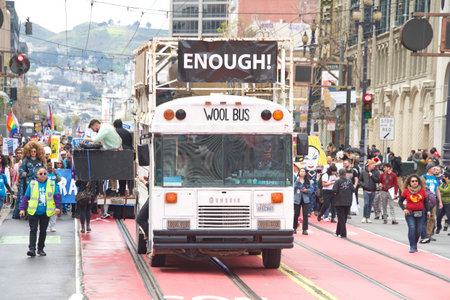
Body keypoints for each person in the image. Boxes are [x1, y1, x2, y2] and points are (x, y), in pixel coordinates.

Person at [20, 167, 61, 256]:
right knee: (33, 230)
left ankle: (40, 249)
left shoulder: (52, 184)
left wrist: (57, 207)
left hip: (45, 212)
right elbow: (26, 197)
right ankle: (32, 249)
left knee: (43, 231)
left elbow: (57, 196)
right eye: (41, 174)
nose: (43, 175)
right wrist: (22, 208)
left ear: (47, 174)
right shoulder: (32, 184)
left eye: (45, 173)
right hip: (33, 211)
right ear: (37, 175)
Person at [13, 142, 46, 219]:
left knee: (37, 197)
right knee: (27, 197)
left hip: (38, 182)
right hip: (28, 182)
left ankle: (36, 212)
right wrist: (23, 173)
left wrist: (42, 176)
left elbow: (44, 170)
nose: (33, 153)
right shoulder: (26, 160)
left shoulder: (40, 160)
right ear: (29, 152)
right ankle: (27, 212)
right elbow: (21, 169)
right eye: (32, 151)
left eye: (34, 151)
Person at [398, 174, 430, 253]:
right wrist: (404, 209)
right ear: (409, 183)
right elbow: (400, 201)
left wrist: (428, 211)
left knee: (418, 230)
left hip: (420, 213)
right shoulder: (406, 191)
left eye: (416, 181)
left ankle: (415, 244)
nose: (415, 182)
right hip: (410, 213)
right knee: (412, 228)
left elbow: (426, 202)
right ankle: (412, 246)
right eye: (413, 181)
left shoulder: (422, 190)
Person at [419, 164, 443, 243]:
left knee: (432, 217)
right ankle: (423, 234)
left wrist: (440, 201)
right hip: (425, 200)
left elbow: (437, 189)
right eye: (434, 168)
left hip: (433, 200)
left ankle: (429, 234)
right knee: (424, 217)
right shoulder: (423, 177)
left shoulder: (435, 178)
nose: (435, 170)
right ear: (429, 169)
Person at [113, 119, 134, 196]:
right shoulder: (127, 132)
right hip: (129, 154)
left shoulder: (114, 132)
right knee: (128, 173)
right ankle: (130, 190)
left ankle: (121, 190)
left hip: (120, 154)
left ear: (114, 125)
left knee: (120, 173)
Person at [333, 168, 354, 238]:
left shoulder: (338, 181)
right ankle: (338, 231)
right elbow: (353, 190)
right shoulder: (350, 181)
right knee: (344, 217)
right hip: (348, 201)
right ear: (345, 174)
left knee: (341, 217)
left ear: (339, 174)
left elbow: (334, 190)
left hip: (339, 201)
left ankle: (343, 233)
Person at [359, 159, 380, 223]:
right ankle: (364, 216)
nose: (374, 166)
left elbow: (377, 180)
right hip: (365, 190)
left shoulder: (376, 172)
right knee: (366, 203)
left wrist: (372, 176)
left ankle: (368, 217)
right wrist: (363, 185)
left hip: (373, 190)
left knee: (370, 204)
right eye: (373, 165)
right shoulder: (363, 172)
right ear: (369, 165)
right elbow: (360, 180)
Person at [294, 168, 313, 234]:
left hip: (305, 199)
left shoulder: (308, 181)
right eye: (301, 171)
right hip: (297, 199)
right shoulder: (296, 180)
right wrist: (297, 181)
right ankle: (294, 228)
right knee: (296, 214)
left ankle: (305, 229)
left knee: (305, 214)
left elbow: (311, 189)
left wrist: (306, 190)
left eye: (303, 171)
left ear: (305, 173)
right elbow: (293, 188)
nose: (302, 172)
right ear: (299, 173)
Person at [47, 161, 61, 232]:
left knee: (54, 209)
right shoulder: (45, 173)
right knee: (47, 209)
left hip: (55, 193)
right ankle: (47, 224)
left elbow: (59, 180)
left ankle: (53, 225)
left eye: (50, 166)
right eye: (48, 166)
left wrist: (55, 173)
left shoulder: (55, 173)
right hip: (47, 194)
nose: (49, 167)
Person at [437, 171, 450, 235]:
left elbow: (447, 191)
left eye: (444, 176)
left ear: (447, 177)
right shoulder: (443, 183)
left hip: (448, 202)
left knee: (449, 216)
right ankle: (438, 227)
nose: (442, 177)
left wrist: (439, 188)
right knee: (439, 216)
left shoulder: (449, 184)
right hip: (442, 202)